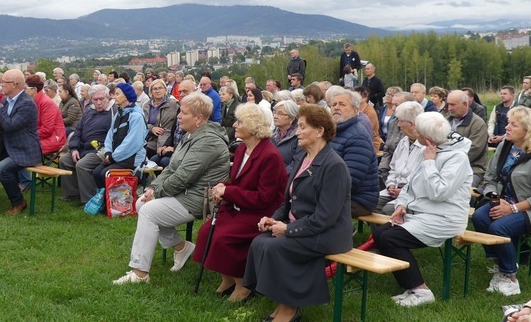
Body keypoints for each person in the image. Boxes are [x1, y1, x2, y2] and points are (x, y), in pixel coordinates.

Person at [243, 104, 352, 322]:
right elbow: (289, 200)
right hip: (307, 226)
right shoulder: (305, 157)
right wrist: (274, 218)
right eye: (298, 127)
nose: (297, 132)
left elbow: (325, 218)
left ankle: (290, 309)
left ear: (320, 131)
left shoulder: (334, 166)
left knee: (276, 247)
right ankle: (282, 303)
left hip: (328, 234)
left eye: (302, 127)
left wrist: (289, 229)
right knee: (259, 242)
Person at [112, 92, 229, 285]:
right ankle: (181, 247)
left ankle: (140, 273)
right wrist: (154, 188)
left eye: (183, 113)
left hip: (201, 198)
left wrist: (158, 193)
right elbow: (172, 168)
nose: (179, 116)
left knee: (148, 211)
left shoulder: (208, 141)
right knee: (142, 203)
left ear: (199, 118)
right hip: (186, 192)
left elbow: (184, 176)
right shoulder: (192, 135)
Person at [373, 111, 472, 307]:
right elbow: (410, 185)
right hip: (421, 213)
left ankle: (421, 291)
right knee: (382, 232)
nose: (413, 130)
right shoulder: (427, 149)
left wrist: (429, 162)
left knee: (389, 238)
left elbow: (438, 192)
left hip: (445, 217)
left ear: (426, 137)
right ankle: (410, 288)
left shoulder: (457, 158)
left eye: (417, 129)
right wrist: (402, 205)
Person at [192, 102, 287, 302]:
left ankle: (243, 283)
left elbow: (264, 198)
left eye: (239, 122)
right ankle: (226, 278)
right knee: (205, 232)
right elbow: (238, 182)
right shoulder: (243, 148)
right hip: (240, 208)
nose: (234, 125)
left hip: (261, 214)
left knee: (223, 237)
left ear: (253, 127)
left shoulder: (269, 156)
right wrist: (222, 187)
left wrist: (229, 191)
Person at [472, 107, 531, 296]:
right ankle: (502, 267)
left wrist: (511, 208)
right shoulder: (505, 146)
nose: (507, 127)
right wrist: (496, 201)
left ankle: (511, 279)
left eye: (513, 124)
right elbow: (490, 177)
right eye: (508, 122)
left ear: (528, 129)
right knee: (480, 216)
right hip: (506, 202)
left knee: (499, 228)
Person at [0, 69, 43, 215]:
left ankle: (18, 202)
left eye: (4, 82)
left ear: (15, 84)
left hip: (25, 150)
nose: (0, 85)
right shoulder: (6, 100)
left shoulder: (27, 104)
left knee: (0, 170)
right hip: (9, 147)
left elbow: (10, 125)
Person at [326, 87, 379, 217]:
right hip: (337, 193)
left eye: (342, 104)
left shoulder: (357, 136)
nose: (336, 107)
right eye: (334, 104)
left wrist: (318, 188)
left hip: (359, 199)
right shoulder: (334, 132)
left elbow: (351, 180)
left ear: (356, 111)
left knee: (312, 205)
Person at [59, 85, 112, 203]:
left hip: (100, 149)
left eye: (101, 99)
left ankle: (89, 199)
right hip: (83, 147)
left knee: (82, 164)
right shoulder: (89, 111)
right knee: (65, 160)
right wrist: (74, 148)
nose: (98, 102)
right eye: (95, 99)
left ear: (108, 98)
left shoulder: (113, 113)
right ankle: (72, 194)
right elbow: (78, 130)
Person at [90, 83, 147, 189]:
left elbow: (132, 143)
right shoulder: (118, 114)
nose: (114, 96)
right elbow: (110, 135)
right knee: (97, 173)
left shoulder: (136, 116)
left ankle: (115, 203)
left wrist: (113, 157)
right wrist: (108, 152)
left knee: (105, 174)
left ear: (126, 96)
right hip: (117, 157)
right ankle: (105, 203)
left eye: (117, 94)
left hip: (131, 159)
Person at [375, 101, 424, 215]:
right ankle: (378, 233)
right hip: (394, 188)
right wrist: (390, 185)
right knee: (372, 202)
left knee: (387, 210)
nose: (398, 124)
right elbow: (393, 167)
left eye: (400, 121)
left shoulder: (426, 146)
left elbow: (421, 180)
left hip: (414, 195)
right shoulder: (404, 141)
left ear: (411, 124)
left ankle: (392, 232)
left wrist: (402, 192)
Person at [447, 90, 488, 187]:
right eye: (448, 105)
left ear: (465, 104)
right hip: (447, 165)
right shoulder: (446, 121)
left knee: (463, 188)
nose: (449, 108)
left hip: (473, 168)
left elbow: (473, 150)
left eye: (453, 105)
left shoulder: (477, 124)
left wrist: (447, 161)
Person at [144, 79, 179, 160]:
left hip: (166, 138)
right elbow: (143, 123)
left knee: (155, 158)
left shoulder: (173, 104)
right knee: (141, 153)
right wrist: (152, 128)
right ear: (151, 91)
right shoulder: (147, 105)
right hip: (151, 139)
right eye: (155, 89)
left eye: (160, 88)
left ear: (165, 90)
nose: (157, 91)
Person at [272, 100, 303, 174]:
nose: (275, 116)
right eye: (275, 113)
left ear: (291, 118)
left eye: (280, 114)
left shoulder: (299, 137)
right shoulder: (271, 134)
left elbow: (297, 163)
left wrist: (280, 176)